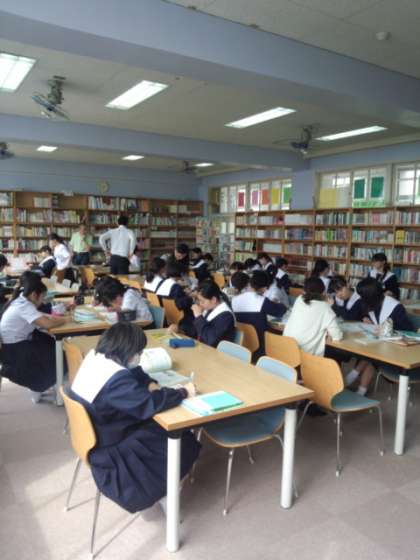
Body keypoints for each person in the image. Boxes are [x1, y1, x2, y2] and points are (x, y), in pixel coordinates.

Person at [70, 322, 200, 513]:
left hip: (96, 433)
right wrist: (183, 392)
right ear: (127, 351)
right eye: (138, 352)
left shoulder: (97, 357)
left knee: (164, 428)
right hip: (112, 450)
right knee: (184, 441)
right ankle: (165, 493)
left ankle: (163, 486)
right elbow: (149, 404)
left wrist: (149, 382)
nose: (139, 357)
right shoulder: (115, 380)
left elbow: (134, 371)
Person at [0, 272, 66, 402]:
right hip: (15, 352)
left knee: (50, 345)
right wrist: (64, 320)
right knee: (59, 356)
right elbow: (46, 324)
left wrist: (53, 317)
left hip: (13, 346)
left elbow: (40, 315)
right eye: (42, 297)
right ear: (34, 295)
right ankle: (42, 388)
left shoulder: (20, 300)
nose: (43, 301)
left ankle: (41, 388)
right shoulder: (24, 306)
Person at [284, 277, 343, 357]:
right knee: (333, 353)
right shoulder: (325, 307)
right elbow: (337, 336)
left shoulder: (299, 299)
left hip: (286, 350)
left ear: (304, 290)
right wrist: (329, 305)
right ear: (323, 292)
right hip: (305, 356)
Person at [232, 270, 287, 354]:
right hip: (262, 344)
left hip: (242, 342)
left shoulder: (234, 299)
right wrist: (280, 304)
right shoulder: (262, 301)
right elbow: (280, 311)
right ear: (264, 288)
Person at [191, 281, 235, 347]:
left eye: (202, 301)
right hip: (203, 347)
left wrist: (199, 316)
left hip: (216, 351)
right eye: (199, 301)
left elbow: (210, 340)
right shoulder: (209, 309)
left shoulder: (226, 316)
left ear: (213, 300)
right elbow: (198, 331)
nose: (200, 304)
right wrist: (181, 330)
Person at [156, 261, 195, 337]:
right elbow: (180, 304)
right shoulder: (176, 287)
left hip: (165, 315)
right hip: (178, 317)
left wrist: (183, 293)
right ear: (179, 273)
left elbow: (172, 297)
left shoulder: (162, 283)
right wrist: (190, 297)